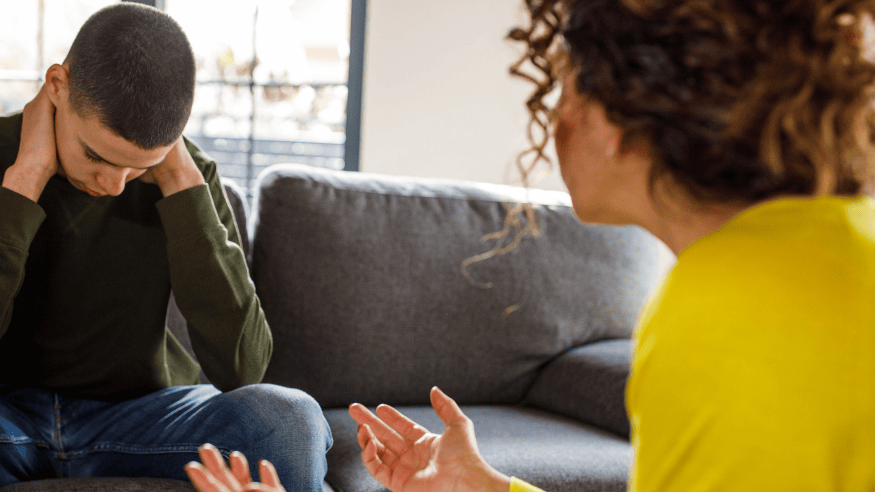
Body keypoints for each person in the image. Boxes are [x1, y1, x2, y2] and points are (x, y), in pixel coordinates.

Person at [186, 0, 875, 490]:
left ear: (623, 118)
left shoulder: (731, 304)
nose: (550, 123)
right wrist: (483, 488)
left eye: (563, 94)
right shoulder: (828, 248)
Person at [0, 4, 331, 491]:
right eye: (95, 155)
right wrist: (24, 181)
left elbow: (243, 368)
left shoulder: (186, 175)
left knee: (290, 419)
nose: (114, 185)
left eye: (136, 166)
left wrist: (177, 180)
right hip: (9, 415)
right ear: (57, 85)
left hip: (142, 417)